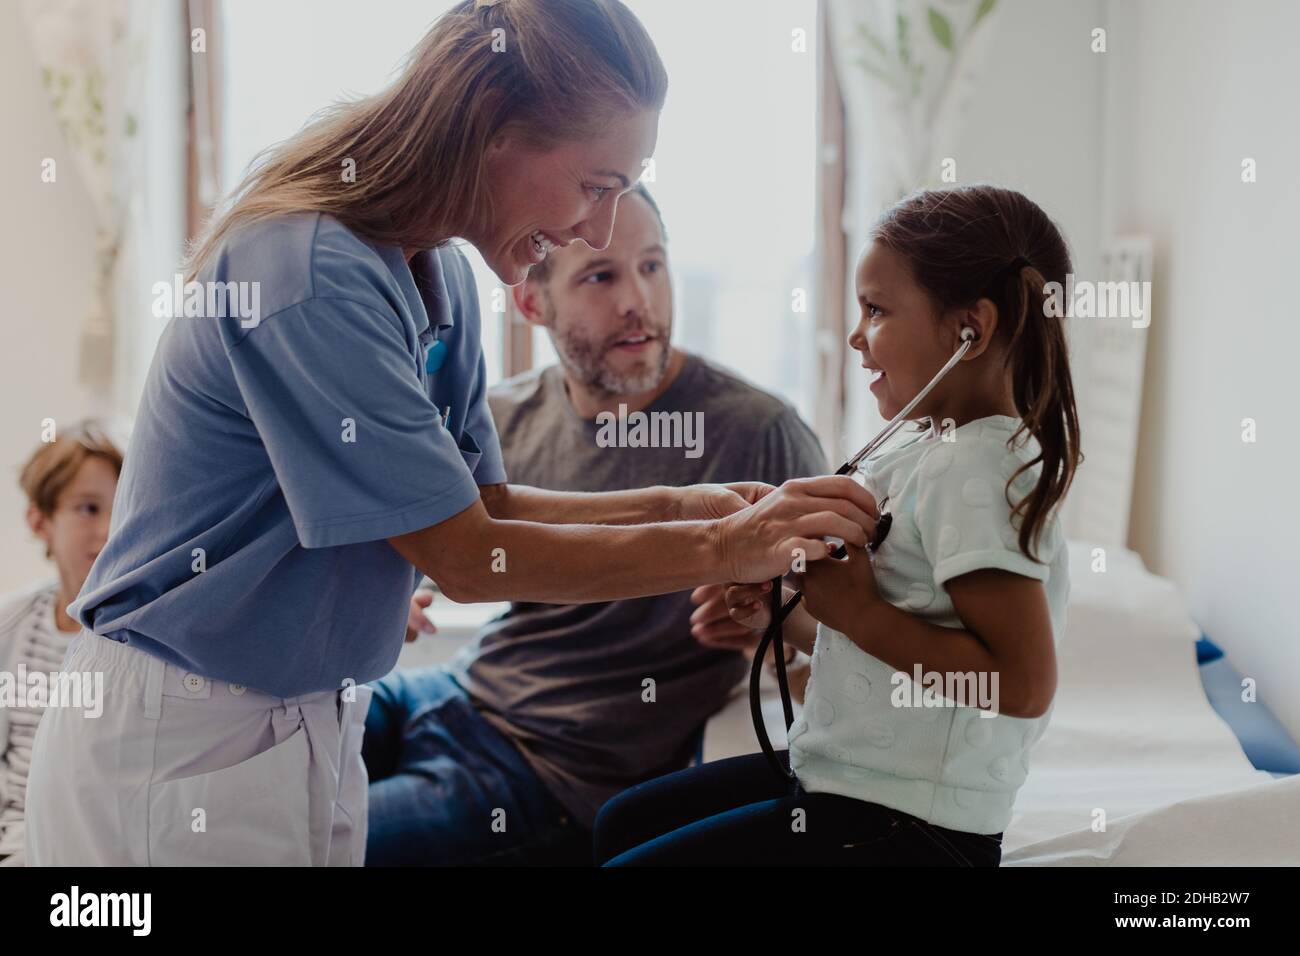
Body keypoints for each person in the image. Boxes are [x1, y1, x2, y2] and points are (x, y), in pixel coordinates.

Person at [25, 0, 875, 866]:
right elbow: (468, 558)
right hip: (183, 732)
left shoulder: (441, 279)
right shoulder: (308, 268)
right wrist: (721, 546)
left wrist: (679, 503)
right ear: (492, 129)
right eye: (596, 187)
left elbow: (484, 504)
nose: (596, 227)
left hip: (311, 718)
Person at [594, 184, 1082, 866]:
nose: (855, 335)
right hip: (850, 784)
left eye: (877, 310)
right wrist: (784, 621)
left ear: (971, 328)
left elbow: (1021, 686)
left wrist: (854, 611)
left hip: (914, 828)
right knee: (623, 821)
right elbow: (900, 634)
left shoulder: (974, 469)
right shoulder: (923, 449)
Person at [362, 183, 828, 865]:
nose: (637, 300)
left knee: (305, 849)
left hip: (545, 775)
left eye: (652, 265)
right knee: (262, 771)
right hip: (445, 693)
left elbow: (843, 647)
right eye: (601, 275)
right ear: (531, 302)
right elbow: (430, 541)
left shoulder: (760, 435)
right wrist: (390, 589)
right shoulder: (503, 417)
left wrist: (780, 634)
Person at [0, 421, 121, 866]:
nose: (109, 529)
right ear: (40, 521)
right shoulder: (13, 626)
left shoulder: (136, 636)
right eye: (88, 509)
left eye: (121, 508)